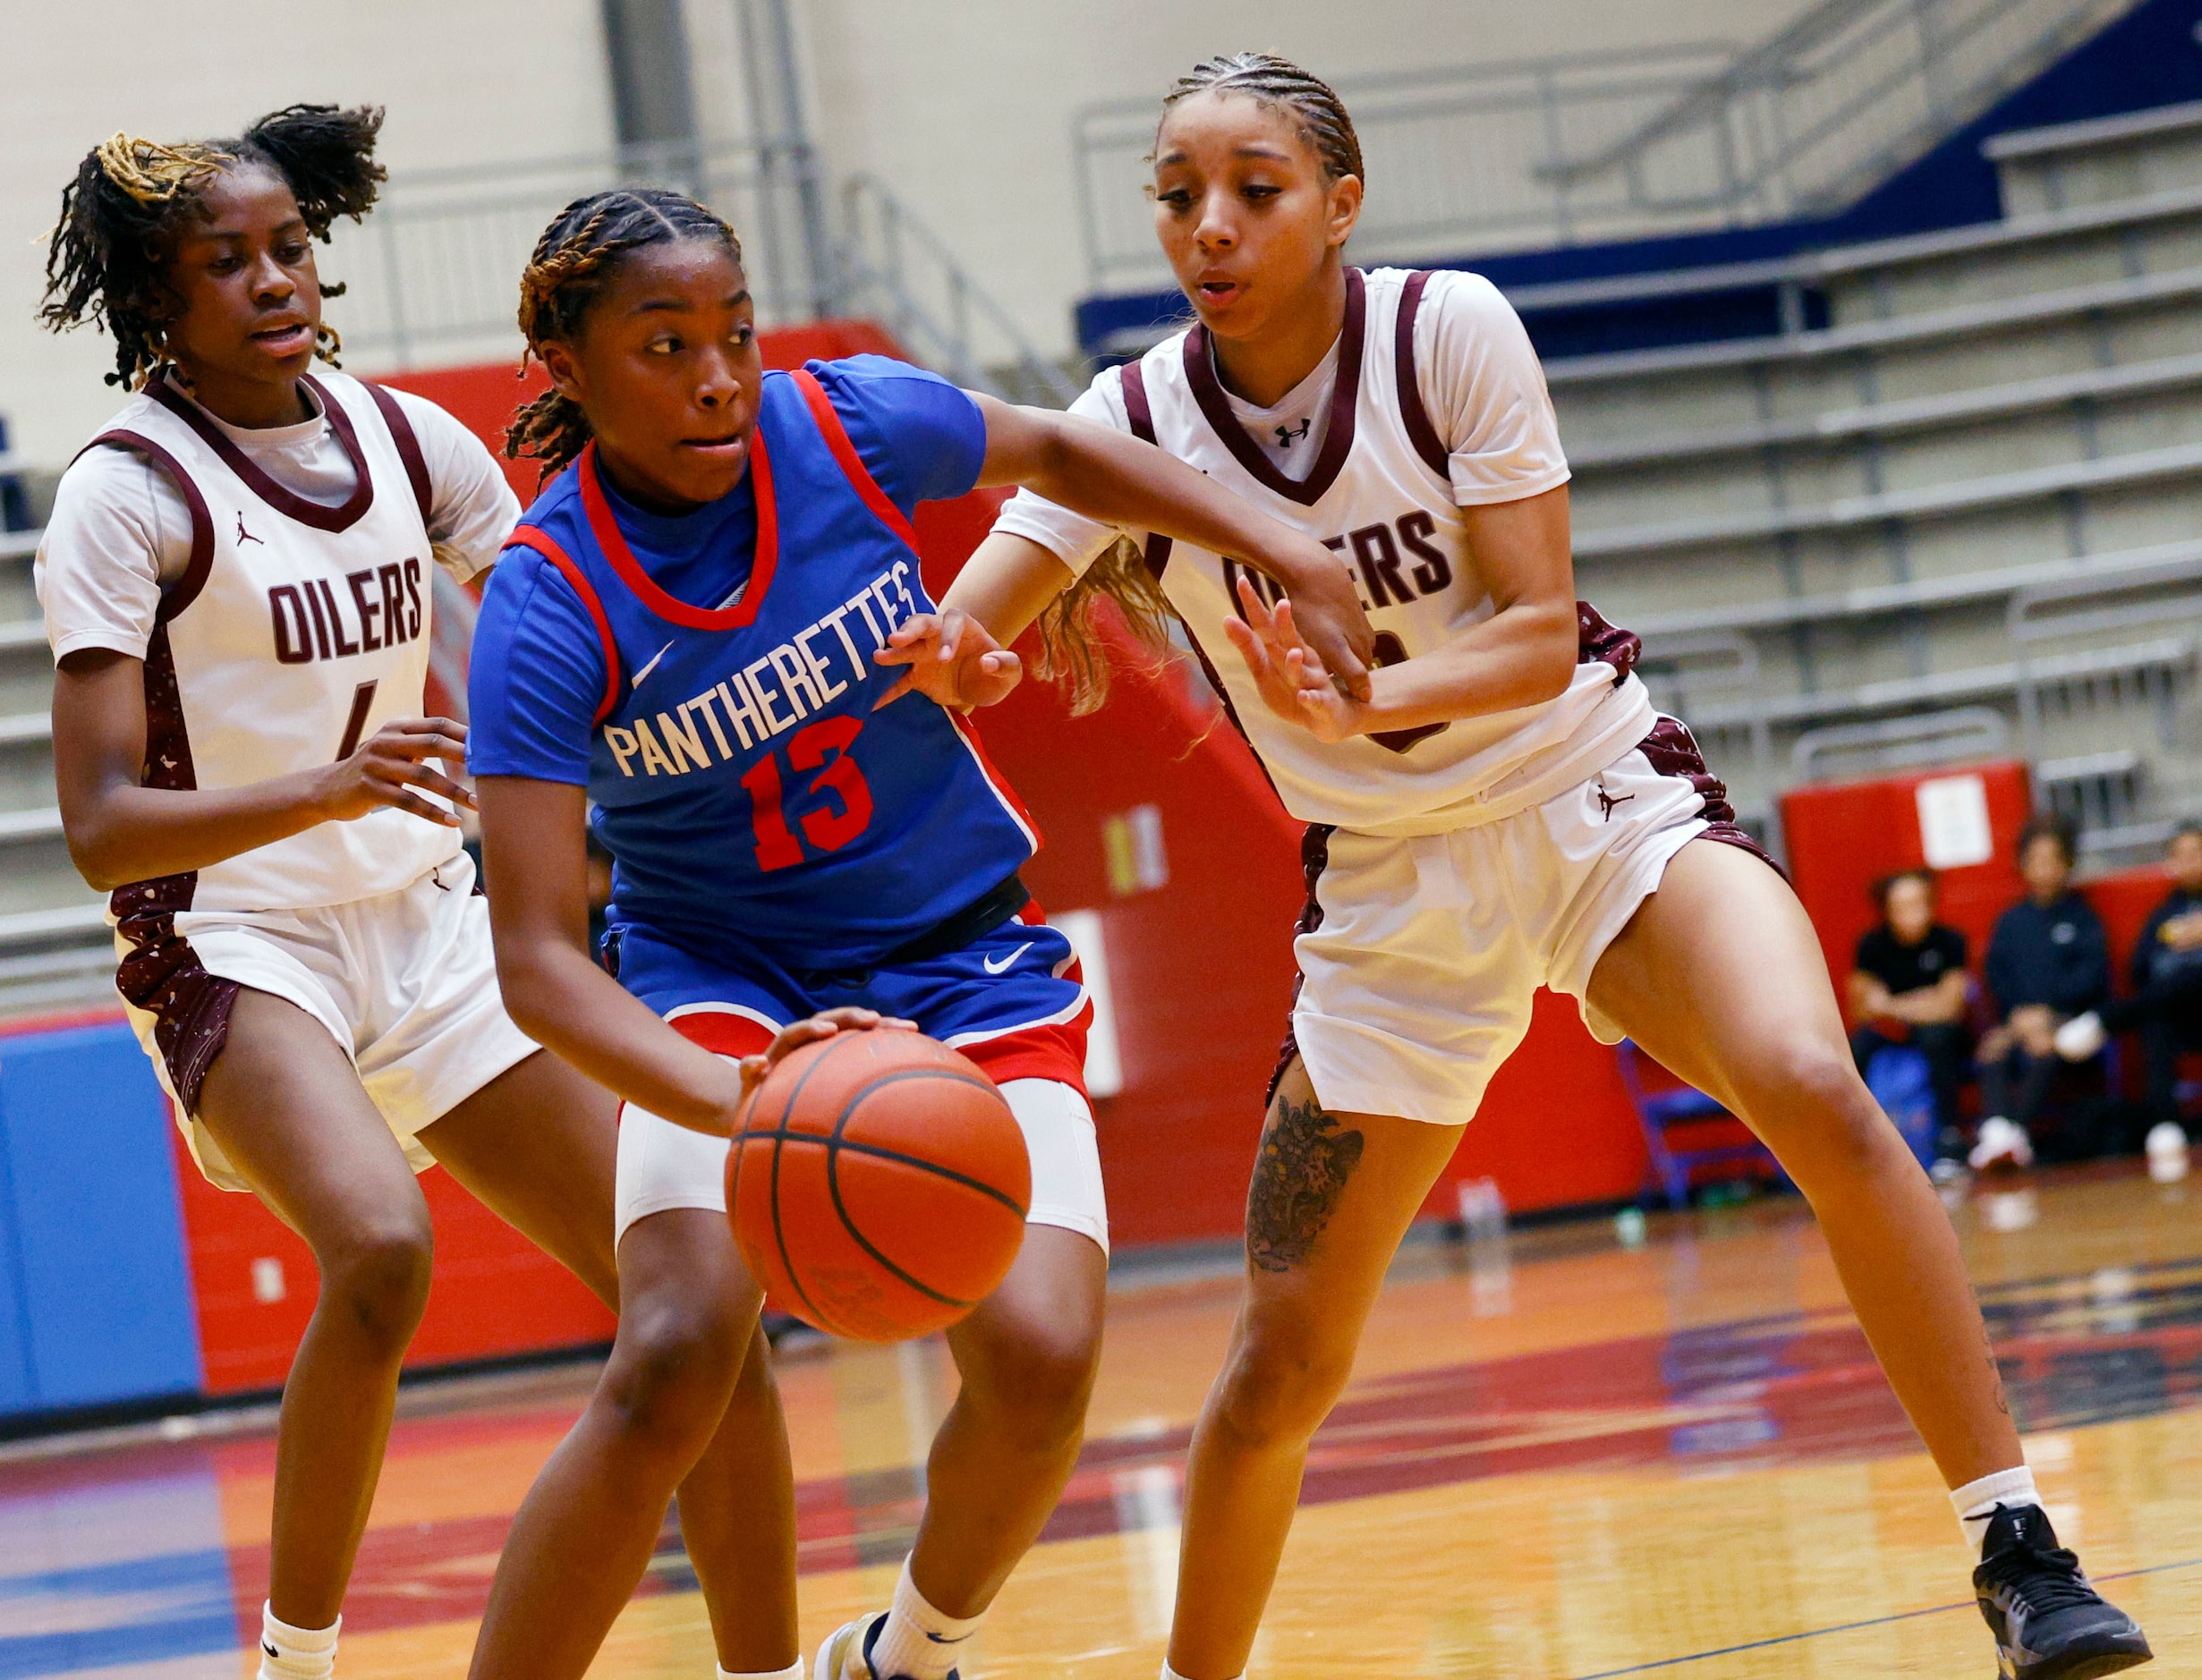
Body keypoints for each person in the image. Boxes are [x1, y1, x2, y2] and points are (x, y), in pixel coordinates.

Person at [942, 53, 2152, 1680]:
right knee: (1281, 1363)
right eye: (1177, 197)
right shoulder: (1132, 421)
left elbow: (1527, 631)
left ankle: (2018, 1547)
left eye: (1254, 189)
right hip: (1384, 890)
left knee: (1809, 1073)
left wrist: (1374, 687)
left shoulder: (1447, 332)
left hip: (1592, 796)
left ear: (1340, 203)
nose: (1208, 227)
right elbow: (980, 613)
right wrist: (949, 651)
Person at [458, 186, 1375, 1680]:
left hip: (961, 957)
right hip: (724, 986)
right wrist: (728, 1094)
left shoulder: (847, 427)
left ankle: (905, 1654)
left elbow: (1072, 453)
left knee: (1042, 1356)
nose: (713, 377)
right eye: (663, 343)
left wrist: (1299, 550)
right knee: (678, 1350)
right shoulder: (550, 605)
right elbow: (538, 961)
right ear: (565, 367)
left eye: (735, 337)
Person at [30, 108, 705, 1680]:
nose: (274, 281)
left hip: (427, 916)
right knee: (382, 1247)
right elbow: (100, 825)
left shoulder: (409, 442)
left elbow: (540, 624)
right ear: (155, 298)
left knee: (683, 1264)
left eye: (290, 248)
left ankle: (760, 1644)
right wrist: (329, 786)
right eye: (227, 262)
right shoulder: (123, 496)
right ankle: (297, 1653)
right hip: (232, 933)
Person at [2056, 821, 2202, 1178]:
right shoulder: (2164, 915)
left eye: (2197, 853)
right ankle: (2165, 1125)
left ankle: (2106, 1021)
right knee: (2157, 1016)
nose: (2190, 861)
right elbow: (2140, 968)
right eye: (2181, 855)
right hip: (2178, 1014)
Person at [1973, 817, 2111, 1171]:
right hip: (2019, 1021)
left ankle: (2014, 1135)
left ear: (2067, 864)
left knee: (2045, 1048)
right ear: (2023, 865)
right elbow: (1997, 975)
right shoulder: (2010, 922)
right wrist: (2019, 1018)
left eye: (2052, 859)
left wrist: (2048, 1016)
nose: (2044, 869)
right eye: (2036, 859)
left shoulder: (2083, 918)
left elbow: (2092, 978)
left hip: (2072, 1022)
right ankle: (1996, 1131)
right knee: (1993, 1048)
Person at [1848, 869, 1971, 1162]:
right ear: (1888, 910)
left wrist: (1890, 1004)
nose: (1912, 912)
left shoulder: (1950, 941)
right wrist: (1923, 1001)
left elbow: (1949, 1007)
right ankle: (1856, 1139)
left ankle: (1948, 1136)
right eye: (1902, 905)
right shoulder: (1871, 946)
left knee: (1939, 1039)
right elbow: (1862, 1008)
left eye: (1919, 903)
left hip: (1937, 1032)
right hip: (1889, 1032)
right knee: (1854, 1049)